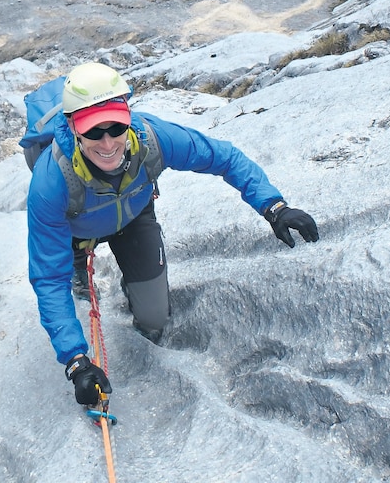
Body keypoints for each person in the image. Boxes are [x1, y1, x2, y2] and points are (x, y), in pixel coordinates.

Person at [25, 62, 319, 406]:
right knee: (66, 268)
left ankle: (132, 282)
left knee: (154, 318)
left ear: (128, 119)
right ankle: (80, 260)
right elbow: (48, 276)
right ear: (74, 128)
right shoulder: (51, 181)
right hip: (74, 228)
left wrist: (274, 207)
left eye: (116, 127)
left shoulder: (153, 139)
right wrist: (76, 362)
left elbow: (223, 157)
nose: (107, 143)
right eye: (93, 132)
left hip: (133, 216)